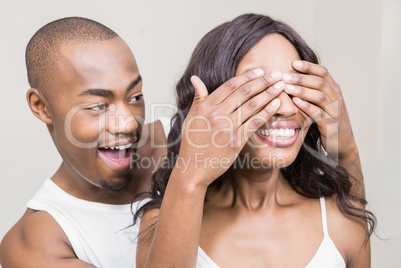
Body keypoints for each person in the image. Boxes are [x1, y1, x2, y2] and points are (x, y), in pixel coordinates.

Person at [0, 16, 289, 267]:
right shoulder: (34, 243)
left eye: (135, 97)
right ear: (41, 106)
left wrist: (335, 142)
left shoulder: (192, 135)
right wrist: (188, 178)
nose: (127, 122)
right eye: (98, 106)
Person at [135, 13, 376, 267]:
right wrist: (191, 175)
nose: (285, 107)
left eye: (295, 87)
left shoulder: (345, 222)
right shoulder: (159, 223)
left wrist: (346, 146)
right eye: (260, 88)